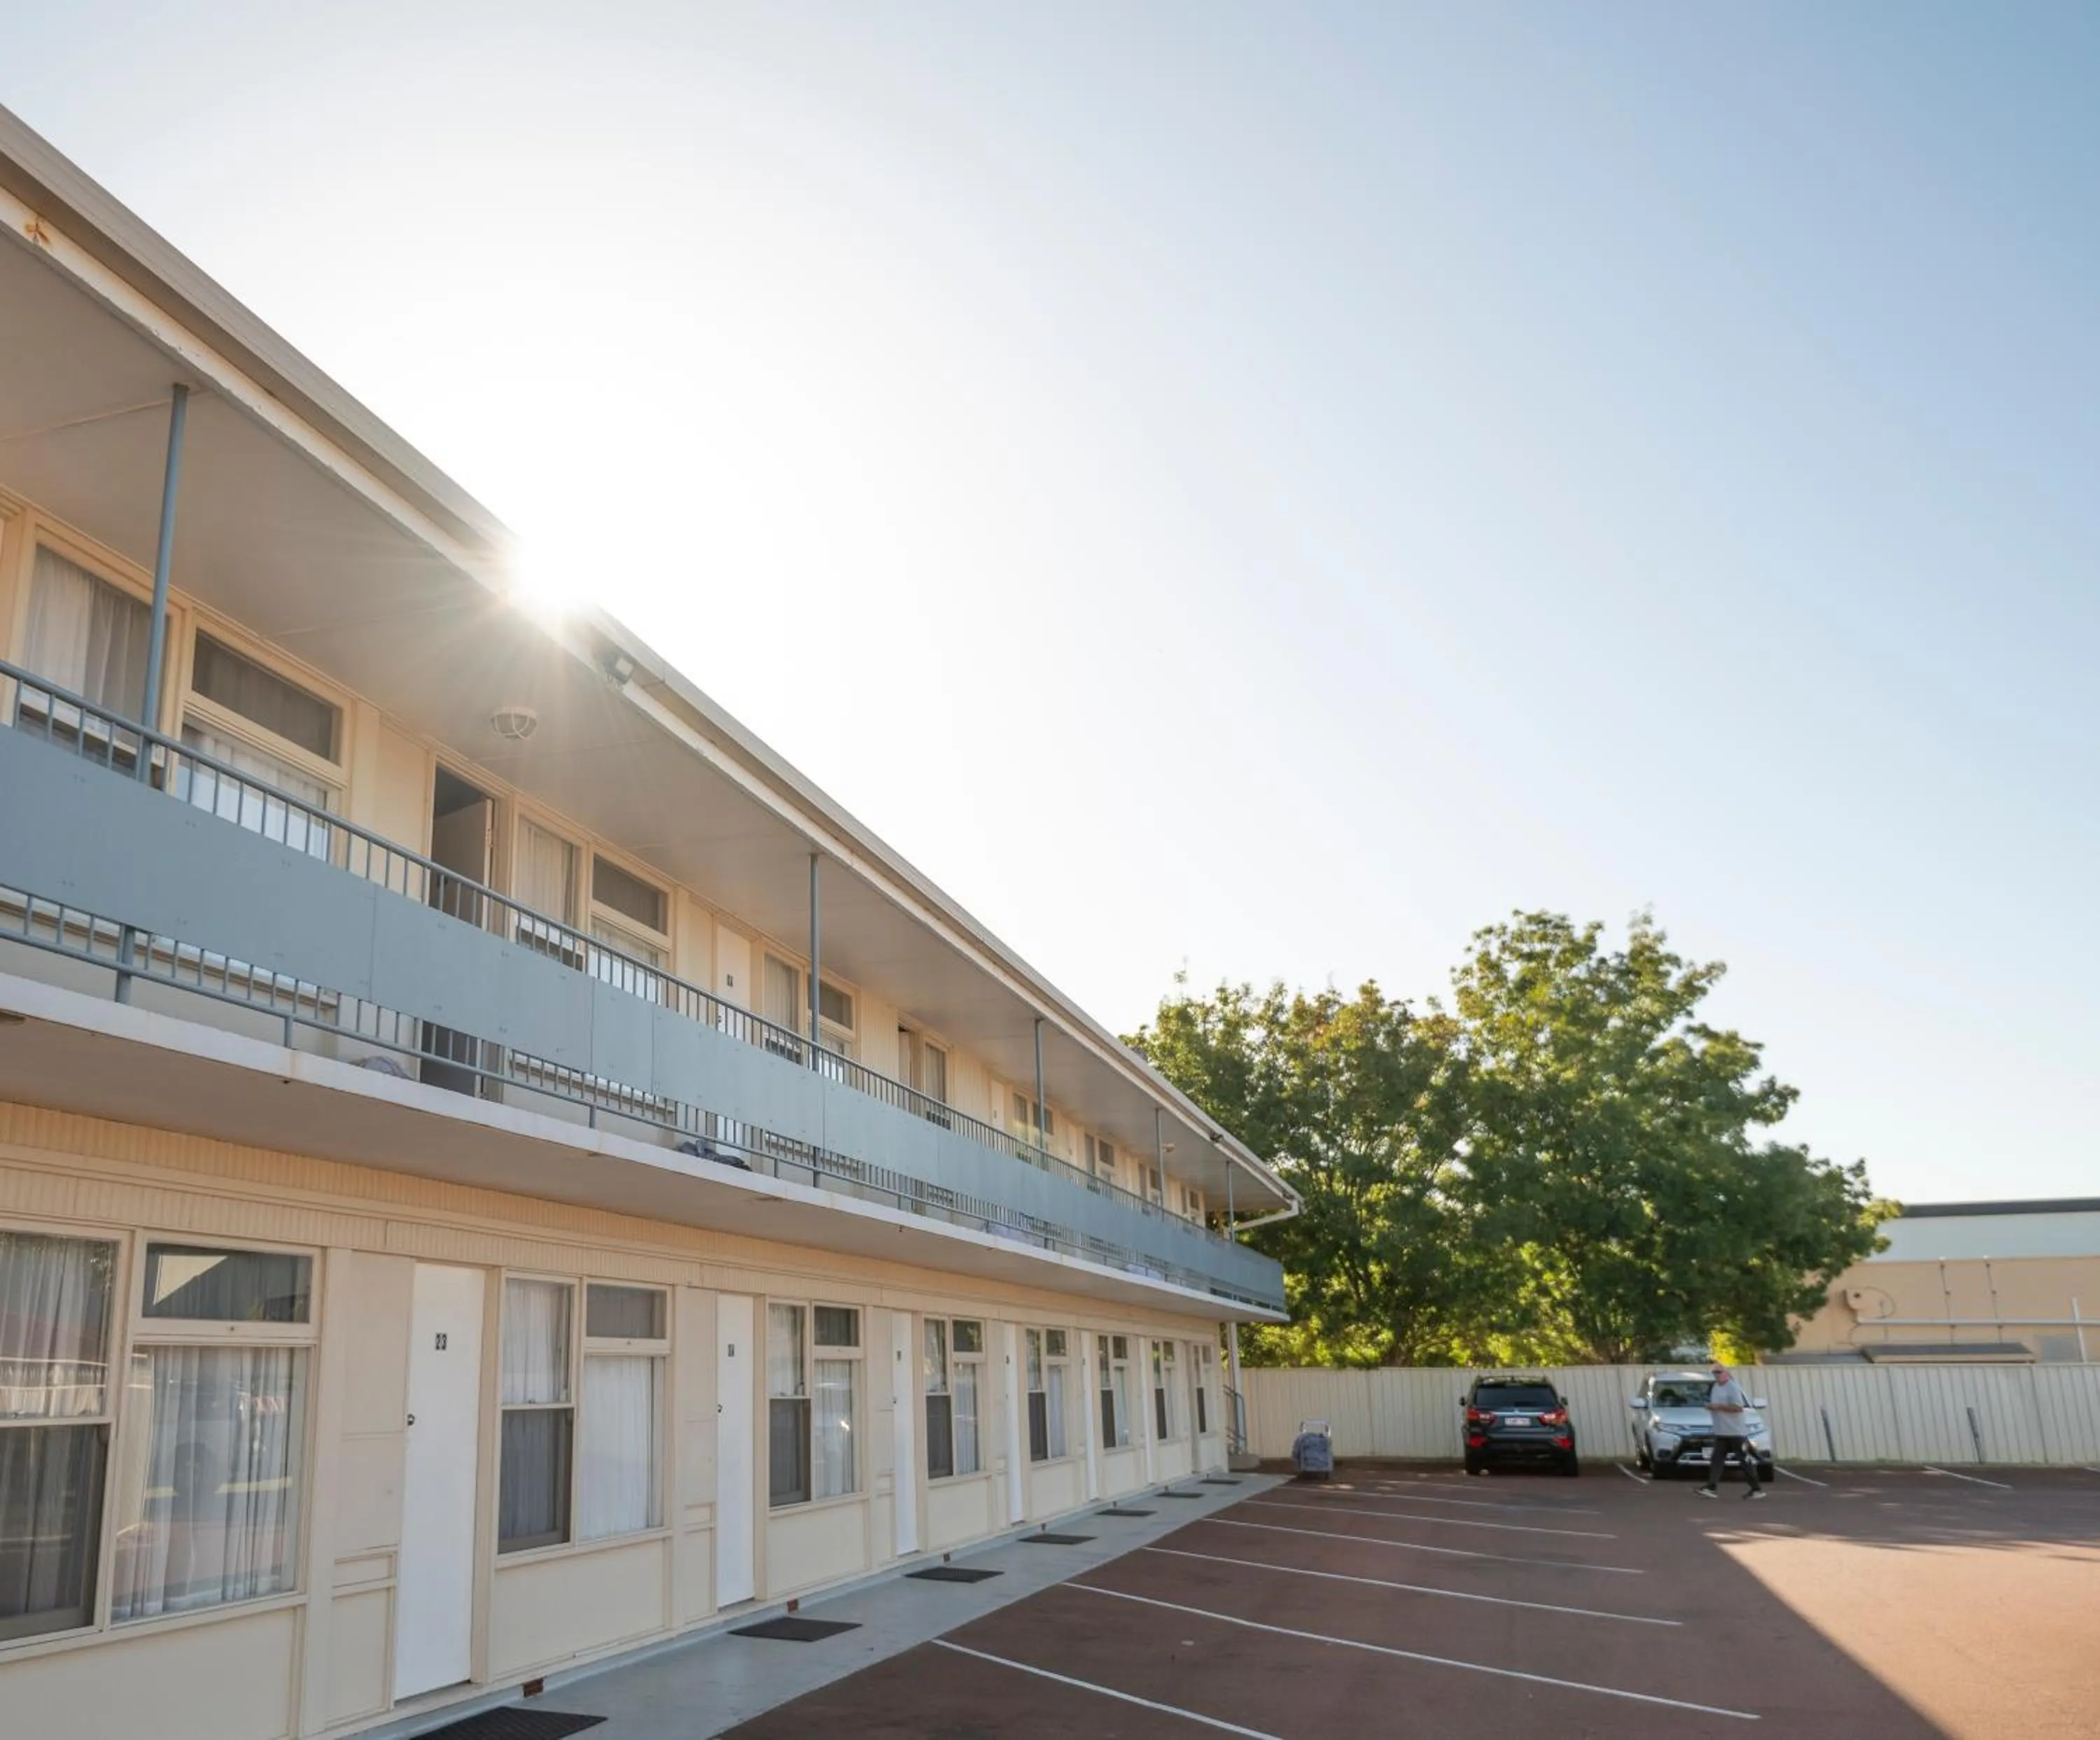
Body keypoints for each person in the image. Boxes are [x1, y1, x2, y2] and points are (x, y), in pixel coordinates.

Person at [1700, 1362, 1767, 1499]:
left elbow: (1738, 1408)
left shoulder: (1732, 1387)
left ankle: (1756, 1488)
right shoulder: (1715, 1387)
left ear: (1726, 1373)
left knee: (1744, 1461)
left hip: (1736, 1432)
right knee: (1717, 1460)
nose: (1716, 1375)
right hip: (1721, 1431)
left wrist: (1718, 1407)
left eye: (1719, 1372)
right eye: (1714, 1373)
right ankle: (1711, 1487)